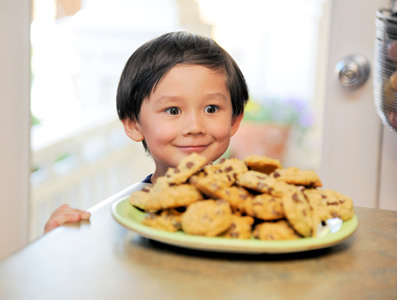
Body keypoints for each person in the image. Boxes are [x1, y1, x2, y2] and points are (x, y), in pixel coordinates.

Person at [44, 31, 249, 233]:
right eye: (173, 110)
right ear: (134, 125)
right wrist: (59, 239)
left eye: (211, 109)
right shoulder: (125, 217)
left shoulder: (252, 206)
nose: (195, 127)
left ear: (234, 119)